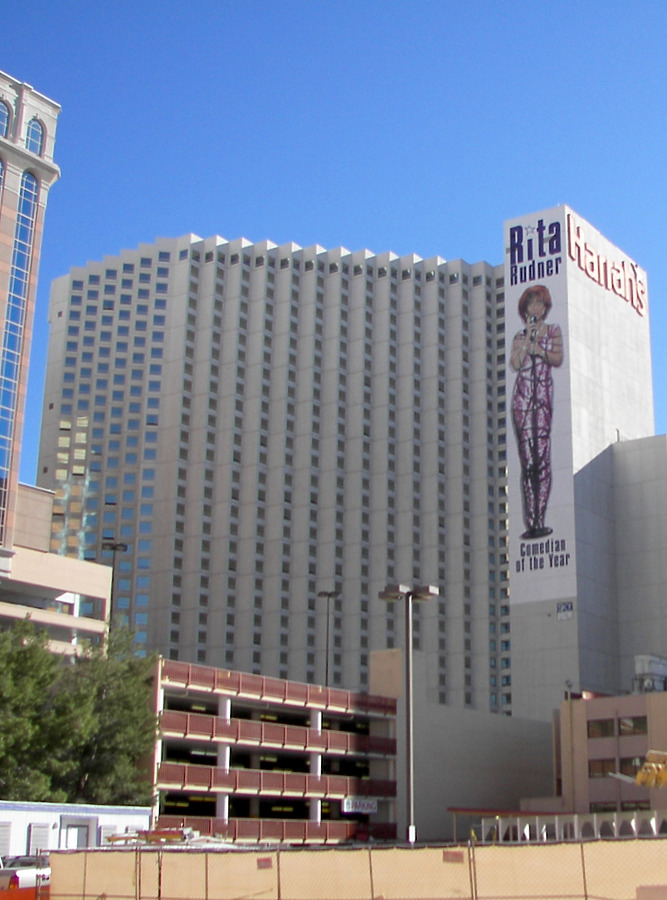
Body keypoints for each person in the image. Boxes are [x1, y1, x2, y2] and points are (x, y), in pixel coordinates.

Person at [510, 285, 563, 539]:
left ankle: (540, 517)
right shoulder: (520, 336)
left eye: (539, 304)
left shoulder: (553, 331)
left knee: (542, 459)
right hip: (522, 399)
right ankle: (530, 521)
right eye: (530, 304)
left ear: (545, 307)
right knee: (527, 463)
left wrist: (540, 350)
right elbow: (515, 363)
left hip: (542, 398)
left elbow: (557, 358)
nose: (535, 309)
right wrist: (527, 341)